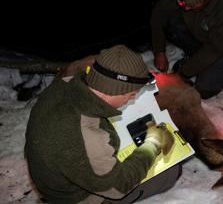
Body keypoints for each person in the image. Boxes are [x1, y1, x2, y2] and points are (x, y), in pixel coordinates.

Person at [25, 45, 180, 204]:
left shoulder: (63, 85)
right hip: (74, 198)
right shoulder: (85, 133)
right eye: (132, 94)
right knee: (171, 172)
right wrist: (152, 143)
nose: (132, 99)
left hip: (58, 176)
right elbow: (120, 186)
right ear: (117, 90)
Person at [150, 0, 223, 99]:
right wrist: (159, 51)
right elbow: (159, 12)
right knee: (171, 20)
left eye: (191, 5)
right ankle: (195, 59)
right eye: (182, 2)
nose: (186, 7)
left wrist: (182, 74)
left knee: (204, 89)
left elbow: (212, 49)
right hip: (200, 28)